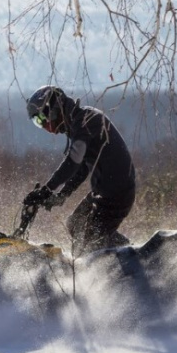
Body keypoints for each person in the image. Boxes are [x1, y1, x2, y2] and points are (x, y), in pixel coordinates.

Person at [23, 85, 136, 257]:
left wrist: (46, 190)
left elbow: (73, 161)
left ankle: (130, 257)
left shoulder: (86, 121)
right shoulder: (79, 123)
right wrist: (62, 195)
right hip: (103, 192)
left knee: (91, 243)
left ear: (53, 109)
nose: (45, 126)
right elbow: (82, 169)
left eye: (42, 119)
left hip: (117, 193)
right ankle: (127, 250)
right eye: (38, 123)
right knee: (75, 224)